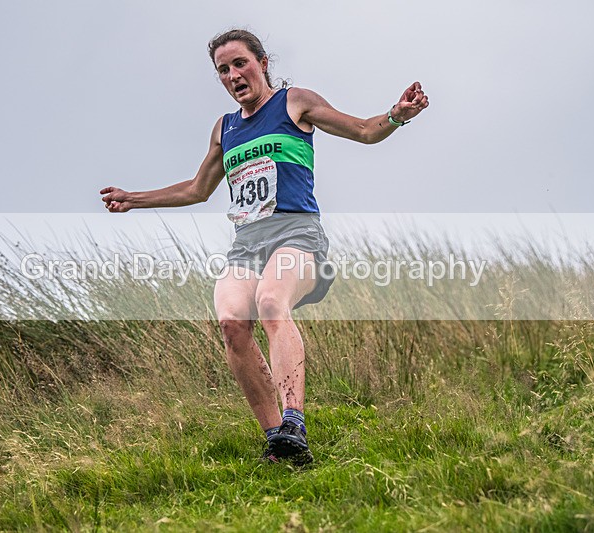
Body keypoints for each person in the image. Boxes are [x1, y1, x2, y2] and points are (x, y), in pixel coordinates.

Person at [100, 29, 428, 465]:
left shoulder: (295, 102)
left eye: (240, 63)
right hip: (247, 247)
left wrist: (398, 113)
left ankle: (295, 420)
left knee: (272, 302)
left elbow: (366, 132)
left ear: (262, 62)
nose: (233, 75)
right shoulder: (225, 128)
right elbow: (198, 190)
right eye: (223, 70)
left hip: (297, 235)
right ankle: (280, 441)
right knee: (232, 322)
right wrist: (133, 198)